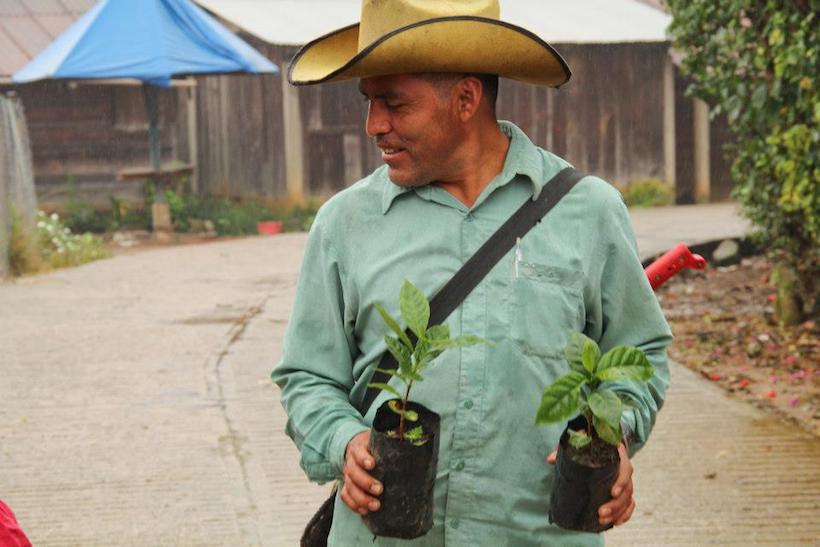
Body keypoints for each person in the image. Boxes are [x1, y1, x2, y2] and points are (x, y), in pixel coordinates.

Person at [273, 1, 672, 545]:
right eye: (369, 102)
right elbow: (307, 376)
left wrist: (615, 434)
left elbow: (639, 353)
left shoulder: (590, 212)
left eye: (394, 104)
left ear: (465, 99)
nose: (374, 126)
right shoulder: (344, 224)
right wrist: (344, 441)